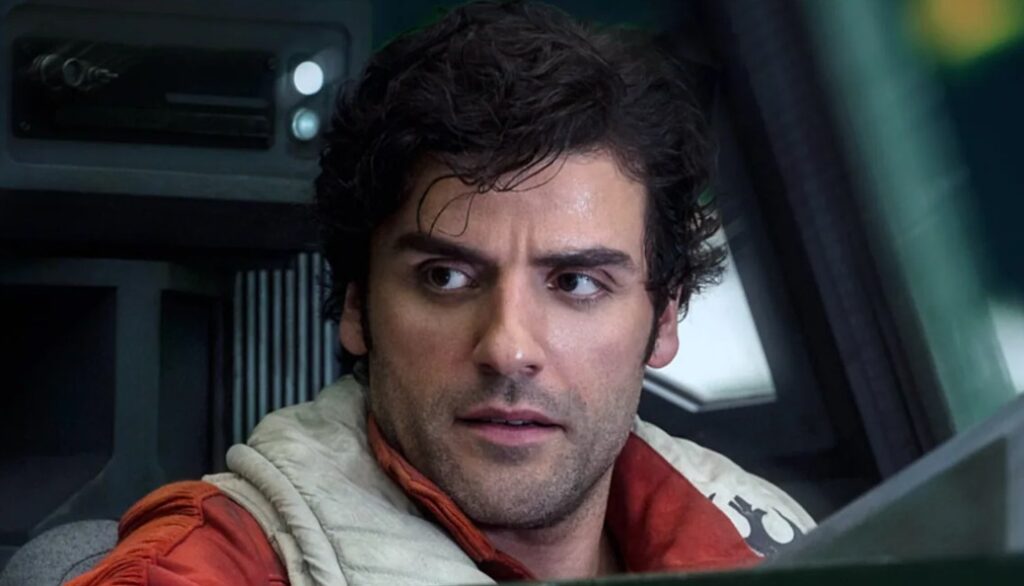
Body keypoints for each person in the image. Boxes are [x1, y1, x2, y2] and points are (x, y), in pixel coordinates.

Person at [70, 1, 813, 584]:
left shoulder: (785, 547)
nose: (509, 348)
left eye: (576, 282)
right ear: (357, 304)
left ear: (666, 316)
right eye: (446, 277)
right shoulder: (208, 569)